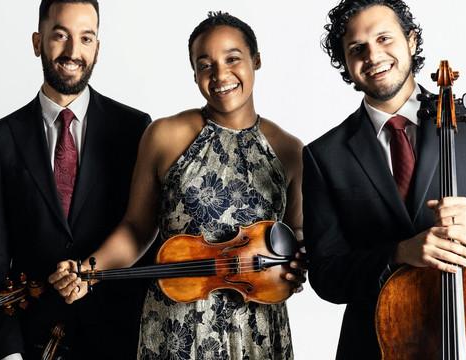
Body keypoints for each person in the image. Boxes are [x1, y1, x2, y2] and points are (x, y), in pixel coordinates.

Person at [49, 11, 306, 360]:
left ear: (256, 60)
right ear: (195, 74)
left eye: (233, 59)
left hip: (258, 328)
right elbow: (137, 227)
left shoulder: (290, 151)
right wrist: (89, 272)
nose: (220, 75)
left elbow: (299, 234)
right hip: (178, 324)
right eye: (205, 65)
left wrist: (298, 263)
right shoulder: (163, 135)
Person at [304, 0, 466, 358]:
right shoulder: (324, 155)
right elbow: (326, 275)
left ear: (411, 41)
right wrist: (397, 253)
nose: (374, 55)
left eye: (385, 38)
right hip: (377, 344)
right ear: (346, 65)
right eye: (357, 49)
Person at [0, 0, 152, 359]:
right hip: (34, 339)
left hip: (121, 339)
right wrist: (8, 353)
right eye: (60, 36)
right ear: (38, 42)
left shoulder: (134, 128)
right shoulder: (2, 137)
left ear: (97, 49)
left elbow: (143, 235)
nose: (73, 51)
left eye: (86, 38)